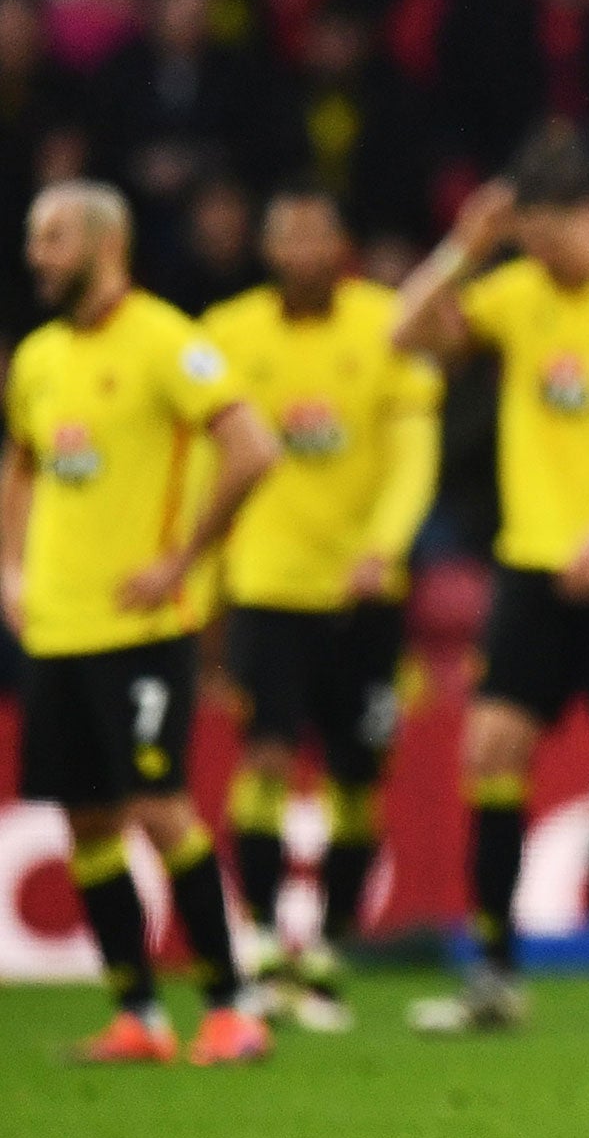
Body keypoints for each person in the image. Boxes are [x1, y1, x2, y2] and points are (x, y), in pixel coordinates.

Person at [390, 128, 589, 1040]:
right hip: (534, 563)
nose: (532, 251)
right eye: (522, 237)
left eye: (541, 233)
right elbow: (403, 335)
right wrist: (468, 245)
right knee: (490, 749)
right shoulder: (519, 292)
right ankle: (493, 976)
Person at [3, 180, 280, 1064]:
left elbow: (254, 448)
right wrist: (10, 568)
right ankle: (139, 1016)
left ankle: (234, 1009)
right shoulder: (39, 358)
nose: (35, 255)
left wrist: (182, 558)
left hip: (144, 628)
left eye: (51, 239)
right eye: (33, 238)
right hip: (57, 626)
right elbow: (22, 466)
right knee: (86, 822)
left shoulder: (167, 341)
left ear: (102, 244)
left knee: (162, 810)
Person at [202, 186, 444, 1032]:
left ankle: (331, 947)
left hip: (363, 591)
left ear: (340, 242)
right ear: (267, 248)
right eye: (286, 234)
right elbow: (204, 459)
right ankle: (264, 939)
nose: (302, 249)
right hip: (268, 584)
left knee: (356, 778)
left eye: (315, 233)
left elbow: (415, 450)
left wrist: (385, 543)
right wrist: (207, 575)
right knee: (264, 758)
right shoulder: (227, 335)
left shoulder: (390, 323)